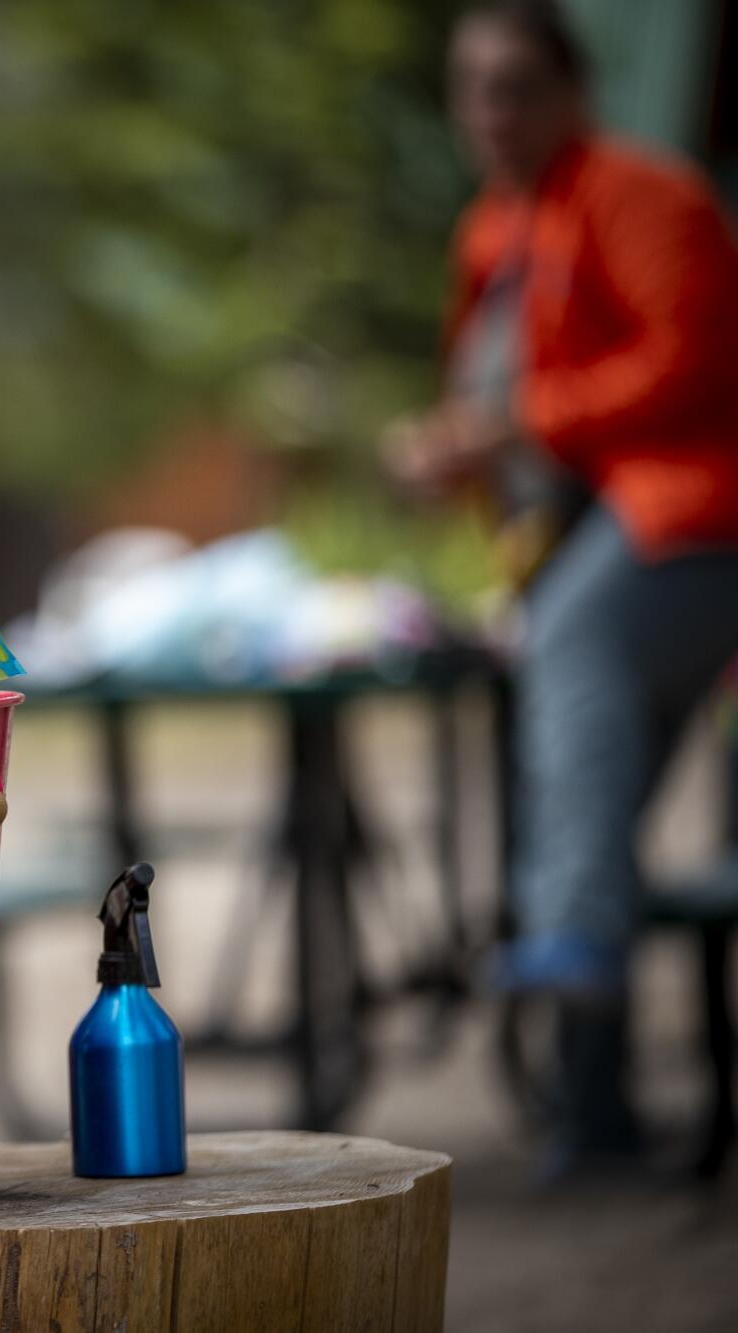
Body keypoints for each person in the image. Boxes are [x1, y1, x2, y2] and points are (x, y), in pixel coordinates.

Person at [387, 0, 738, 1174]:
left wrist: (513, 424)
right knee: (584, 793)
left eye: (515, 84)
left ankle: (569, 938)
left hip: (687, 523)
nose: (490, 110)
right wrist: (449, 450)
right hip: (575, 541)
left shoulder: (646, 195)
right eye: (472, 86)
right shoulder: (493, 231)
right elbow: (492, 410)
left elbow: (689, 359)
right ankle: (595, 1118)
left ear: (571, 93)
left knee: (573, 671)